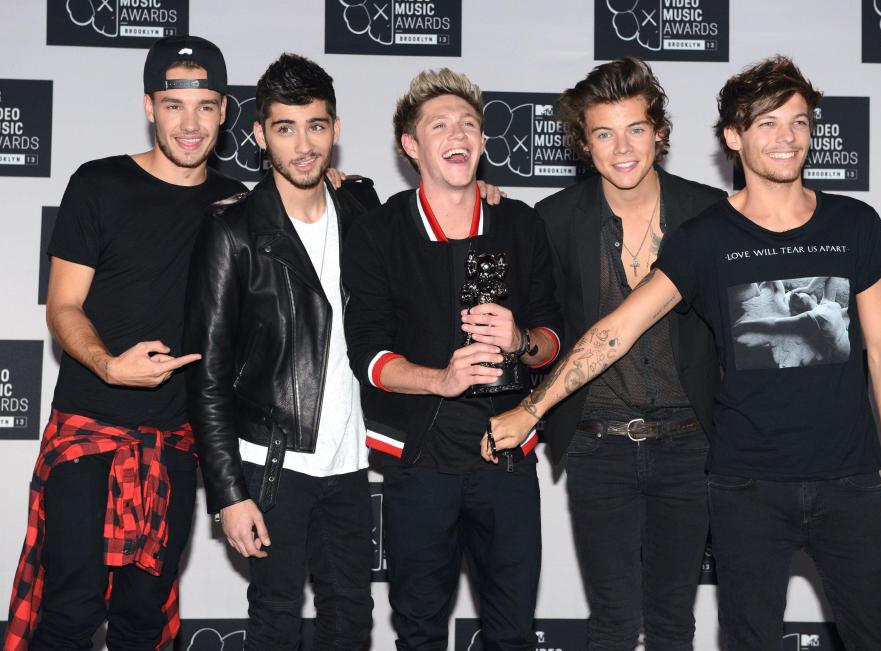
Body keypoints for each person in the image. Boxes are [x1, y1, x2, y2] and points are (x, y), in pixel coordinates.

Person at [488, 56, 881, 650]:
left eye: (797, 121)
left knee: (878, 637)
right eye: (766, 124)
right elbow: (615, 330)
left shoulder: (849, 223)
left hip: (839, 479)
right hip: (741, 483)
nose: (785, 137)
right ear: (734, 138)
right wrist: (532, 409)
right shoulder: (704, 237)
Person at [4, 35, 245, 650]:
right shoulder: (99, 184)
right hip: (89, 430)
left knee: (144, 620)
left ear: (223, 111)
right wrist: (109, 365)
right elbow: (63, 306)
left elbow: (322, 202)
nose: (189, 124)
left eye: (205, 106)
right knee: (70, 611)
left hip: (176, 444)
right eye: (173, 105)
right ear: (148, 106)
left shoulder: (242, 204)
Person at [342, 68, 562, 650]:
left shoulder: (520, 222)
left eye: (469, 123)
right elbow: (366, 354)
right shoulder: (379, 232)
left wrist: (520, 340)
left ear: (484, 141)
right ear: (411, 146)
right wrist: (440, 379)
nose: (457, 133)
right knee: (418, 630)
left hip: (507, 454)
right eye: (438, 125)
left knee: (513, 631)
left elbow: (554, 341)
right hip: (419, 461)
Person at [184, 53, 380, 651]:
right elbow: (207, 377)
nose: (303, 145)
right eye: (285, 128)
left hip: (349, 462)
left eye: (316, 126)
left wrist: (482, 189)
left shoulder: (363, 209)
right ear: (259, 134)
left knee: (351, 622)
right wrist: (228, 495)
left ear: (336, 130)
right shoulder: (233, 231)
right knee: (274, 622)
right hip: (270, 464)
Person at [535, 57, 723, 650]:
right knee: (613, 623)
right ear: (583, 144)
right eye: (604, 133)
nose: (623, 148)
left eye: (635, 129)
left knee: (672, 623)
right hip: (598, 446)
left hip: (690, 444)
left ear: (659, 132)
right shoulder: (554, 220)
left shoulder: (710, 213)